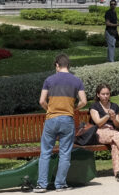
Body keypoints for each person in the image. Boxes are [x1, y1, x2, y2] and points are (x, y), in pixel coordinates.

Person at [37, 54, 87, 192]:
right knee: (65, 153)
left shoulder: (49, 80)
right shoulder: (77, 81)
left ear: (57, 65)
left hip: (51, 119)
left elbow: (41, 101)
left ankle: (42, 185)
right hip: (67, 119)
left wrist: (50, 109)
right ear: (68, 65)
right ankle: (60, 184)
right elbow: (83, 101)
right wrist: (74, 108)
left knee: (45, 152)